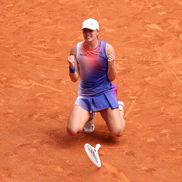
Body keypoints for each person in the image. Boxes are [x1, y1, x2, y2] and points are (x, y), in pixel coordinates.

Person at [67, 18, 125, 137]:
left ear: (97, 32)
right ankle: (90, 114)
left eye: (91, 31)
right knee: (72, 130)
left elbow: (112, 77)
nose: (87, 34)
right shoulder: (76, 50)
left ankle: (119, 108)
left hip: (104, 93)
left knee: (117, 131)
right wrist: (72, 66)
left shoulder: (107, 49)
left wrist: (112, 64)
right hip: (85, 96)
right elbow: (74, 78)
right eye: (85, 31)